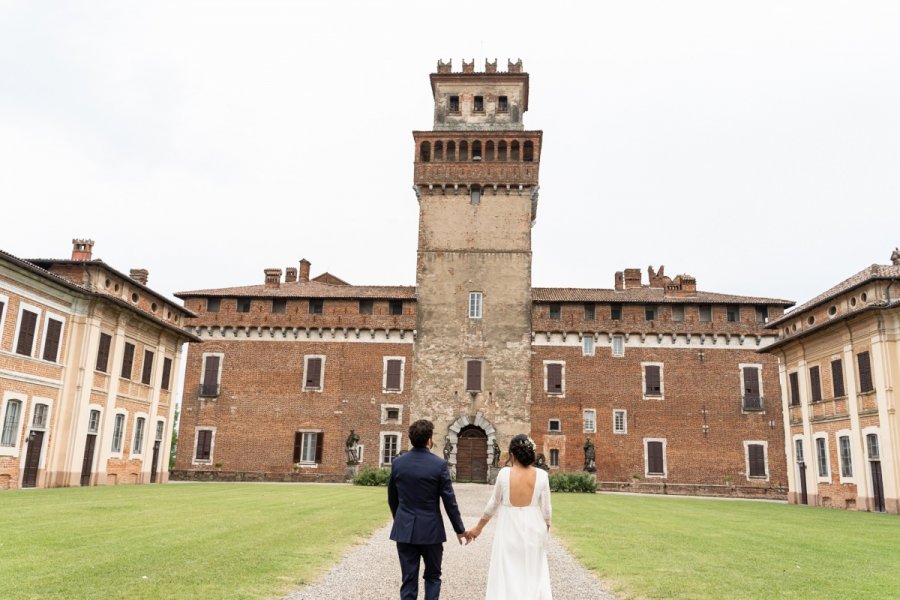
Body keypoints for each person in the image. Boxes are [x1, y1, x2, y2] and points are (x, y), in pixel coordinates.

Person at [388, 419, 468, 600]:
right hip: (431, 530)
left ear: (411, 439)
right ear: (429, 440)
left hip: (405, 528)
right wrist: (459, 529)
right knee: (432, 576)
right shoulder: (439, 465)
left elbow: (392, 498)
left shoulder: (398, 463)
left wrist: (400, 520)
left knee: (408, 578)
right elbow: (449, 501)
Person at [467, 434, 552, 599]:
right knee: (532, 571)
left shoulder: (504, 474)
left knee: (508, 572)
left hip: (509, 529)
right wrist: (546, 528)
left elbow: (492, 505)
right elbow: (547, 510)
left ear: (512, 455)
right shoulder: (542, 476)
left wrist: (478, 528)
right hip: (534, 527)